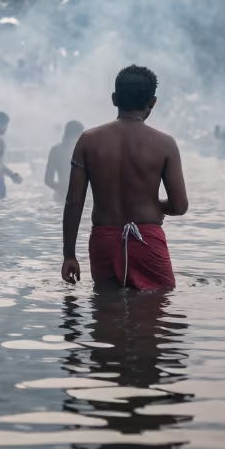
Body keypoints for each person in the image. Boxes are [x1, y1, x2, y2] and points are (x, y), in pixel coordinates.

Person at [62, 65, 186, 290]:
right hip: (147, 240)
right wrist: (154, 205)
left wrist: (69, 255)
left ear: (114, 98)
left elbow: (74, 202)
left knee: (106, 311)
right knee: (155, 314)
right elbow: (179, 205)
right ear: (153, 102)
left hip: (104, 240)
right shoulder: (165, 144)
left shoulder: (88, 141)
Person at [45, 120, 85, 204]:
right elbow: (48, 180)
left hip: (63, 196)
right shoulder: (57, 150)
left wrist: (62, 189)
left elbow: (48, 180)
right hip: (67, 197)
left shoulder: (56, 150)